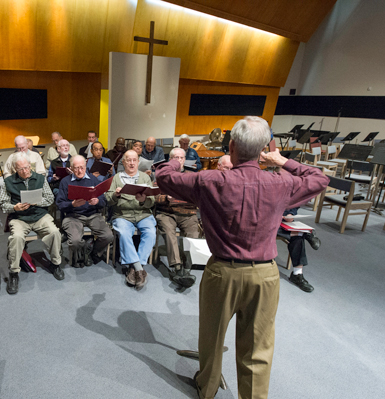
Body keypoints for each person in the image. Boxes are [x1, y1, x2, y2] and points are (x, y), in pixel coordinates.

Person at [156, 116, 328, 399]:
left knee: (211, 337)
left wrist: (176, 159)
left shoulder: (209, 180)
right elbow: (319, 178)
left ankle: (207, 388)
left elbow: (164, 177)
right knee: (257, 348)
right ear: (263, 150)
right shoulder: (281, 183)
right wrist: (283, 161)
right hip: (265, 276)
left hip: (222, 272)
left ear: (231, 146)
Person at [0, 153, 64, 295]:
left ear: (30, 165)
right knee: (15, 238)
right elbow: (3, 204)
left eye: (27, 167)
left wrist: (37, 202)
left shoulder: (40, 178)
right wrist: (15, 207)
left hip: (39, 215)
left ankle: (55, 264)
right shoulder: (8, 181)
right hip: (20, 218)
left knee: (54, 232)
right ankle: (14, 273)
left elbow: (50, 198)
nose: (25, 171)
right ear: (16, 169)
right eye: (21, 169)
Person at [105, 150, 157, 291]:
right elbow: (108, 200)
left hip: (143, 213)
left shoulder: (145, 178)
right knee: (123, 232)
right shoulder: (116, 178)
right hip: (123, 215)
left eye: (134, 160)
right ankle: (139, 269)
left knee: (151, 232)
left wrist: (144, 200)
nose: (132, 163)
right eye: (128, 160)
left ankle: (133, 268)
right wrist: (116, 195)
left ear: (138, 162)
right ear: (123, 162)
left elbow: (152, 201)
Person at [56, 155, 113, 267]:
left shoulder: (93, 179)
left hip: (93, 215)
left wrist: (97, 201)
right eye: (76, 168)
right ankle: (83, 250)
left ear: (86, 166)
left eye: (82, 167)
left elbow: (103, 200)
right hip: (73, 216)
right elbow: (59, 204)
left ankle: (92, 252)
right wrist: (72, 204)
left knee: (108, 236)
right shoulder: (65, 181)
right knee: (76, 241)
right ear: (71, 168)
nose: (79, 170)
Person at [154, 148, 199, 289]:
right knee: (169, 233)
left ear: (185, 159)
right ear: (170, 160)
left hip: (187, 213)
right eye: (175, 158)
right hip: (166, 212)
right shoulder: (162, 177)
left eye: (181, 157)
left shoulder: (191, 176)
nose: (178, 160)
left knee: (193, 235)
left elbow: (199, 197)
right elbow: (154, 196)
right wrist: (165, 197)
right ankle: (177, 267)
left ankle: (187, 267)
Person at [277, 207, 321, 292]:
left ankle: (297, 274)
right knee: (264, 228)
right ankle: (304, 233)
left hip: (281, 219)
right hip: (264, 218)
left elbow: (294, 200)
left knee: (297, 238)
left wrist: (290, 214)